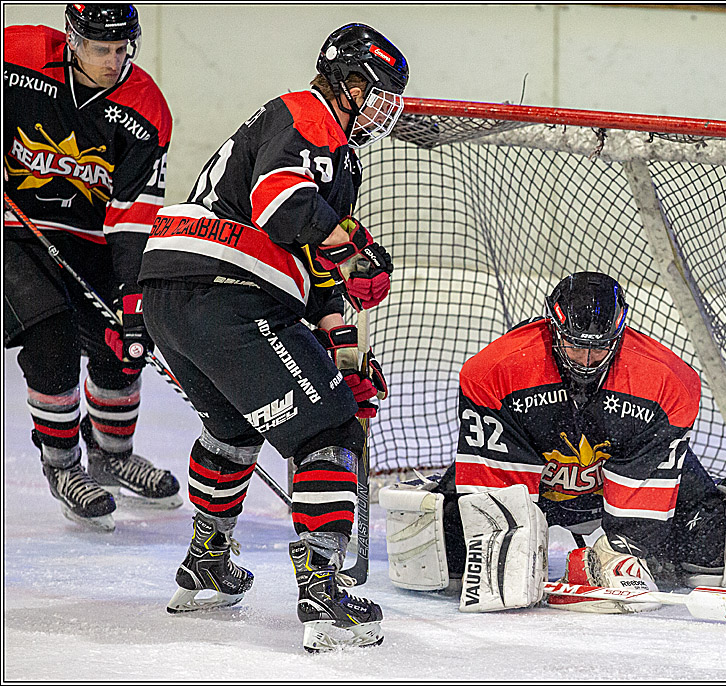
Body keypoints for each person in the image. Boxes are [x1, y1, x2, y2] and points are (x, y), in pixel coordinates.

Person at [138, 23, 407, 652]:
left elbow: (311, 272)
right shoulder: (306, 115)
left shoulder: (336, 154)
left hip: (176, 295)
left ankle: (207, 555)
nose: (382, 109)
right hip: (226, 291)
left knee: (232, 428)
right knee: (326, 431)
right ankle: (322, 584)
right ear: (344, 84)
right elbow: (282, 209)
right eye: (375, 93)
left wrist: (338, 354)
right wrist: (356, 247)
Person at [379, 271, 726, 613]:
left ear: (619, 335)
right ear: (553, 331)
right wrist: (506, 540)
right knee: (452, 565)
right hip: (534, 485)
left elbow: (646, 504)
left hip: (612, 487)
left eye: (599, 346)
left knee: (712, 553)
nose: (586, 359)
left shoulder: (666, 381)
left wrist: (625, 551)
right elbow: (493, 491)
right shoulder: (497, 371)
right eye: (575, 345)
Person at [3, 4, 179, 533]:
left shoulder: (146, 107)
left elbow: (132, 216)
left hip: (92, 239)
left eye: (122, 48)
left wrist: (132, 296)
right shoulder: (17, 55)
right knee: (50, 334)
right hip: (13, 228)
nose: (113, 60)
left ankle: (111, 456)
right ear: (72, 41)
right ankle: (61, 466)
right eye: (101, 49)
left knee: (122, 338)